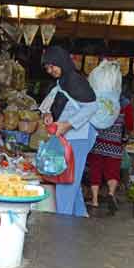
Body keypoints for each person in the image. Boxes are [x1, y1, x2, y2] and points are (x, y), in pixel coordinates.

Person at [40, 46, 98, 217]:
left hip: (79, 137)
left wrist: (68, 124)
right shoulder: (62, 82)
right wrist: (48, 113)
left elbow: (92, 106)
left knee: (65, 180)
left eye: (53, 66)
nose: (50, 71)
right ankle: (80, 216)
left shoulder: (75, 81)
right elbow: (52, 100)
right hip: (69, 137)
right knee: (72, 178)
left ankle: (62, 222)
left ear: (61, 62)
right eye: (47, 68)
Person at [87, 91, 134, 217]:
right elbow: (129, 124)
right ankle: (111, 194)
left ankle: (95, 201)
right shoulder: (124, 103)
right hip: (115, 143)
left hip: (97, 141)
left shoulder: (97, 98)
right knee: (112, 172)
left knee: (95, 170)